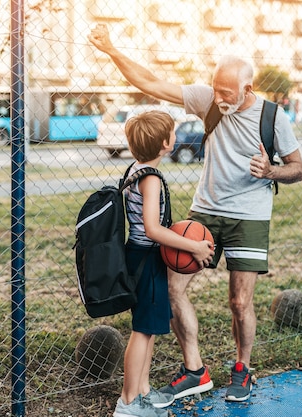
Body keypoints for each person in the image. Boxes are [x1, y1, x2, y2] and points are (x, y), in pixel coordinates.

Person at [89, 24, 302, 403]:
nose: (219, 98)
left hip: (249, 215)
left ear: (247, 90)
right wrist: (112, 50)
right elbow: (151, 83)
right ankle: (195, 371)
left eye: (227, 93)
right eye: (215, 89)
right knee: (173, 290)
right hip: (204, 211)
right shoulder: (207, 99)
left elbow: (299, 168)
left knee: (240, 302)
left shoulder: (274, 118)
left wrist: (270, 171)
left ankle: (242, 369)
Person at [115, 110, 215, 417]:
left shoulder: (136, 169)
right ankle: (129, 402)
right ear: (164, 144)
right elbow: (152, 229)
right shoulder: (151, 178)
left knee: (149, 329)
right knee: (142, 331)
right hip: (146, 259)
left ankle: (142, 392)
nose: (175, 136)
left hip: (141, 257)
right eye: (172, 133)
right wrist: (194, 246)